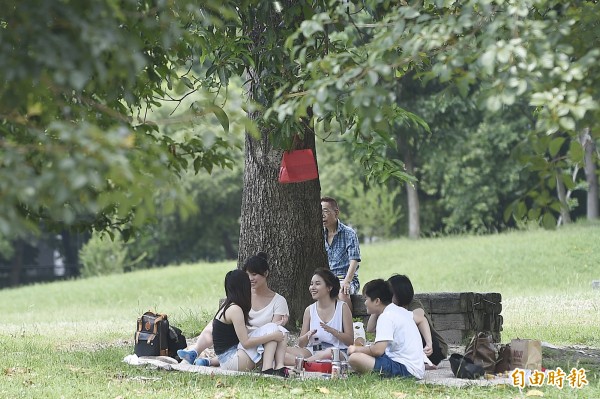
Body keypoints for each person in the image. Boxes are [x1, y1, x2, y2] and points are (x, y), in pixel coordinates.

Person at [177, 252, 289, 366]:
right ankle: (195, 351)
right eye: (247, 275)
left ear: (266, 273)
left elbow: (274, 329)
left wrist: (278, 326)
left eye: (254, 274)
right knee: (215, 324)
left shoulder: (279, 301)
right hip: (241, 338)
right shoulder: (240, 298)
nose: (250, 279)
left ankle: (209, 361)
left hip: (257, 339)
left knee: (279, 349)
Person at [210, 269, 289, 376]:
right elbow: (246, 343)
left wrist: (274, 330)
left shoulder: (229, 306)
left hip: (231, 359)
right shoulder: (235, 309)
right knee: (273, 331)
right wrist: (272, 336)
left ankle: (279, 366)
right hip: (232, 362)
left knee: (278, 329)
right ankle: (267, 369)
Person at [347, 279, 425, 379]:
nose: (365, 303)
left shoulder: (386, 317)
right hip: (414, 367)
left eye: (366, 299)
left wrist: (356, 349)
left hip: (406, 370)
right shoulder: (399, 310)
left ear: (377, 301)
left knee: (354, 358)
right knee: (364, 353)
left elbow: (378, 350)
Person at [285, 268, 354, 365]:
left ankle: (305, 363)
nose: (312, 287)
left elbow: (350, 341)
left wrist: (333, 331)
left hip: (337, 352)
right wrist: (307, 336)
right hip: (313, 350)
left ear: (329, 287)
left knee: (328, 353)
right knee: (282, 350)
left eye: (317, 284)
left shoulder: (342, 307)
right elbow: (301, 344)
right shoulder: (309, 310)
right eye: (311, 284)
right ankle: (308, 363)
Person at [387, 274, 448, 366]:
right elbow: (370, 328)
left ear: (399, 293)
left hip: (433, 348)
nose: (386, 295)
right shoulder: (390, 307)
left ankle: (422, 364)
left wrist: (429, 344)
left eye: (389, 293)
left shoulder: (413, 303)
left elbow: (419, 317)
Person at [321, 196, 361, 313]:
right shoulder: (318, 234)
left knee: (342, 293)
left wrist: (347, 282)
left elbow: (354, 260)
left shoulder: (349, 233)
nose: (322, 215)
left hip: (346, 279)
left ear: (336, 212)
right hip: (326, 280)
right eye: (319, 212)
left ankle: (350, 326)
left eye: (325, 211)